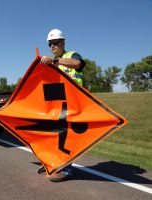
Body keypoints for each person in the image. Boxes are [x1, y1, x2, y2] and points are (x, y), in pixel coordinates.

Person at [39, 29, 86, 182]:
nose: (52, 47)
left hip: (73, 103)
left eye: (55, 43)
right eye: (49, 44)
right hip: (57, 105)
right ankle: (54, 163)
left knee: (66, 136)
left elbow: (78, 64)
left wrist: (54, 61)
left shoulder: (71, 55)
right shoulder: (50, 62)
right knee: (52, 135)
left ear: (62, 42)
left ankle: (66, 169)